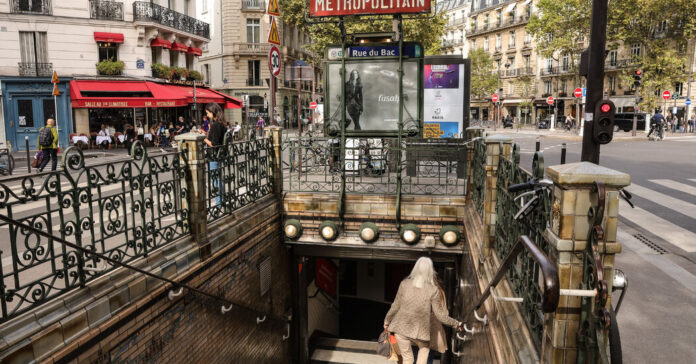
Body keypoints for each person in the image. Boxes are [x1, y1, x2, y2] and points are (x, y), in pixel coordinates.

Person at [384, 257, 462, 364]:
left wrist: (387, 321)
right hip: (421, 332)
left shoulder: (404, 284)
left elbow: (395, 306)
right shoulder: (433, 289)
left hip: (401, 329)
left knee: (408, 359)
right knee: (423, 352)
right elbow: (440, 315)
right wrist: (456, 324)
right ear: (431, 271)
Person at [201, 103, 227, 205]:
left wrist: (203, 138)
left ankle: (219, 204)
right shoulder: (221, 124)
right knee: (218, 179)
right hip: (219, 155)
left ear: (213, 112)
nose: (207, 115)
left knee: (216, 180)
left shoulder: (216, 125)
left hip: (214, 156)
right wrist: (206, 135)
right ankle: (221, 202)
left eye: (208, 113)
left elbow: (214, 144)